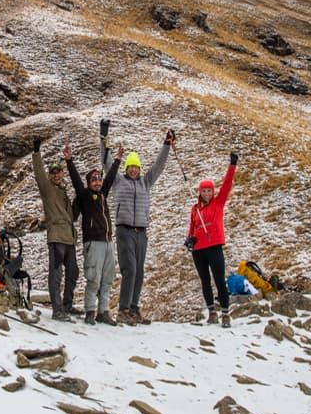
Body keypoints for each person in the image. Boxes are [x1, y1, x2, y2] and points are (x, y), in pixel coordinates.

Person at [100, 120, 172, 325]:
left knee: (139, 271)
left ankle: (133, 308)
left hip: (142, 231)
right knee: (130, 268)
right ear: (126, 168)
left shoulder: (145, 182)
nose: (133, 170)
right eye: (130, 167)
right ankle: (123, 309)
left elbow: (159, 165)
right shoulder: (118, 181)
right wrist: (103, 136)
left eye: (136, 167)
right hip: (125, 230)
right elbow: (105, 161)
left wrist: (166, 144)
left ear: (139, 168)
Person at [64, 141, 122, 325]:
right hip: (93, 243)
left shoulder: (103, 194)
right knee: (93, 278)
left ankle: (103, 311)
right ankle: (90, 310)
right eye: (94, 180)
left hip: (108, 242)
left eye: (99, 179)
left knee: (107, 279)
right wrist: (69, 161)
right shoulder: (85, 196)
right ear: (89, 183)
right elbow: (76, 181)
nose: (97, 183)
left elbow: (110, 178)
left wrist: (117, 160)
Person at [185, 151, 240, 328]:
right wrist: (190, 239)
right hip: (199, 249)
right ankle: (212, 312)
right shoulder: (195, 209)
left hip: (214, 246)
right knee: (205, 281)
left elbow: (227, 184)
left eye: (209, 190)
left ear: (213, 191)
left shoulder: (218, 202)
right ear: (200, 192)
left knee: (219, 280)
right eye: (204, 191)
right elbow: (192, 226)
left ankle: (225, 313)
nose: (207, 193)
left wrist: (232, 165)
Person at [32, 138, 79, 321]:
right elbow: (39, 174)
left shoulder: (63, 192)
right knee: (56, 274)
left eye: (58, 172)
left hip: (69, 238)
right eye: (53, 173)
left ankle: (67, 304)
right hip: (57, 237)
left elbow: (71, 216)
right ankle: (57, 310)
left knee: (73, 272)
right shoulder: (48, 189)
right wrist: (36, 153)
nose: (56, 175)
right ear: (50, 175)